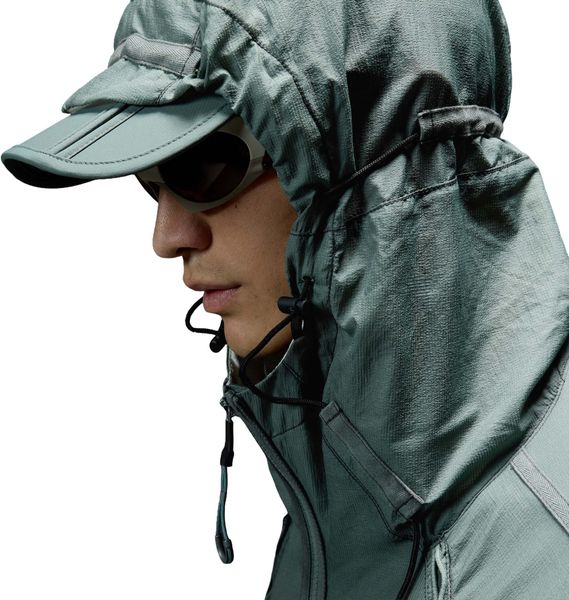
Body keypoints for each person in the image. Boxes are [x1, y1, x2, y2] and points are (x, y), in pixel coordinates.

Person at [3, 1, 569, 599]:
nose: (167, 238)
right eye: (151, 182)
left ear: (377, 175)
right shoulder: (345, 499)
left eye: (202, 166)